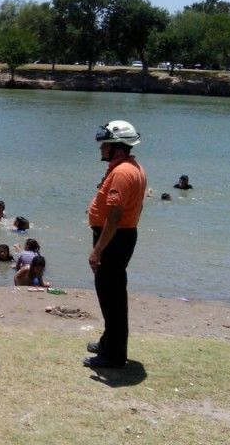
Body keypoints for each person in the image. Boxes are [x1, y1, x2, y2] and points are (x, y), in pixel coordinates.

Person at [85, 120, 147, 369]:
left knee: (111, 296)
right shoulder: (132, 168)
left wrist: (98, 249)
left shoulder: (122, 173)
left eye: (105, 144)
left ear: (117, 147)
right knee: (112, 294)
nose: (101, 148)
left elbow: (114, 215)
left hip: (114, 239)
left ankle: (113, 354)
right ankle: (109, 342)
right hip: (121, 236)